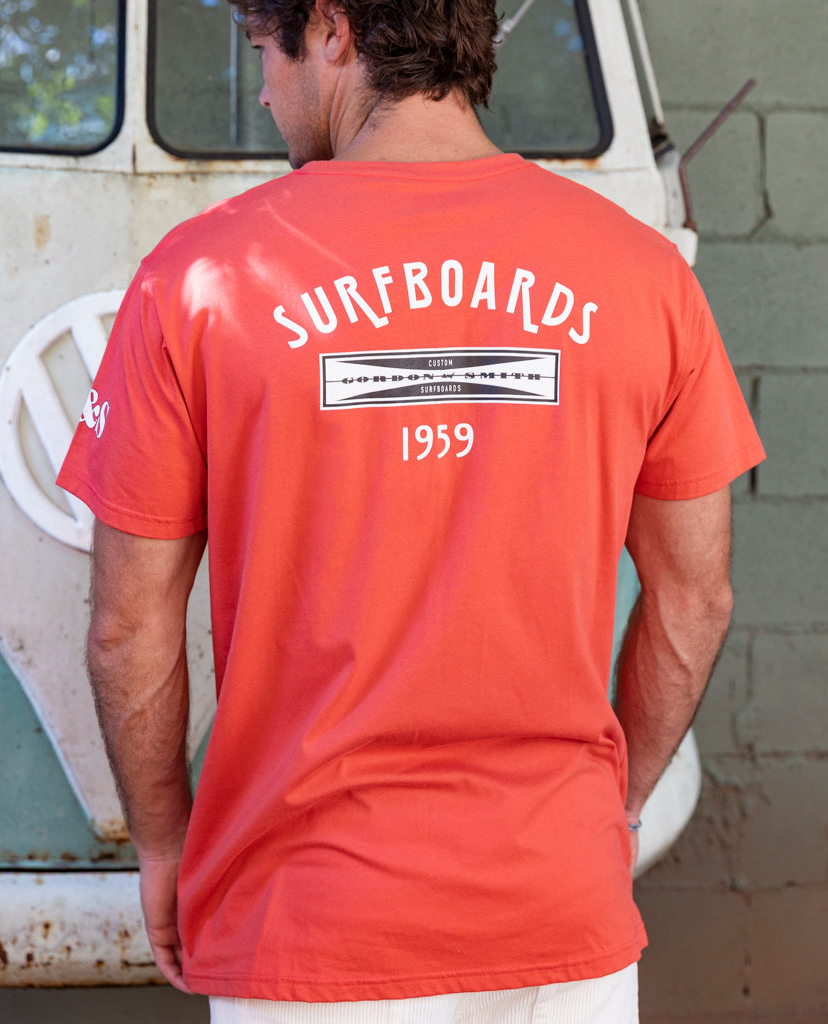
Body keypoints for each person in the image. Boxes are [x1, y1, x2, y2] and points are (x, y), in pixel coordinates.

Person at [57, 1, 765, 1021]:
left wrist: (165, 845)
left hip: (305, 923)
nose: (265, 93)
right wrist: (611, 811)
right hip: (557, 908)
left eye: (264, 54)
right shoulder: (645, 276)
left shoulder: (198, 281)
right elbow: (697, 600)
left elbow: (127, 628)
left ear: (332, 31)